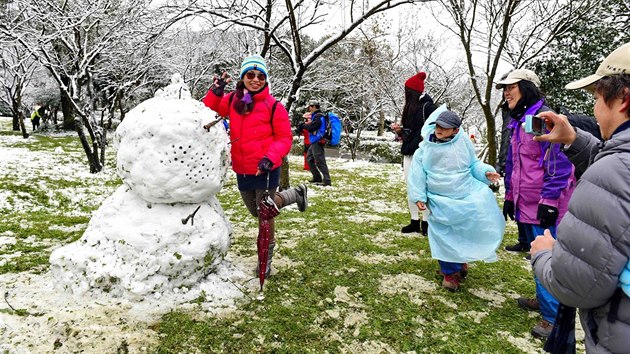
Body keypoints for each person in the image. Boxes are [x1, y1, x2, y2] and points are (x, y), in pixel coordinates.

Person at [530, 42, 630, 353]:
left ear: (623, 99)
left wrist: (544, 255)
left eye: (598, 98)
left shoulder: (616, 170)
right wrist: (574, 140)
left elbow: (578, 286)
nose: (594, 110)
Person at [202, 54, 308, 277]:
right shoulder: (232, 101)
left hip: (266, 168)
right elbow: (206, 112)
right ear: (243, 77)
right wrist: (216, 92)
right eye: (251, 75)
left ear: (266, 79)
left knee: (265, 216)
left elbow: (284, 138)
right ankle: (295, 194)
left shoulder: (274, 107)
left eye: (261, 76)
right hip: (242, 168)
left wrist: (270, 158)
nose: (256, 79)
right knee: (255, 211)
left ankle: (264, 261)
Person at [495, 69, 576, 338]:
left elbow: (559, 162)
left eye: (512, 87)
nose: (506, 93)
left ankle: (553, 318)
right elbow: (515, 162)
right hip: (525, 202)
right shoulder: (519, 121)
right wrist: (509, 196)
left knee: (549, 258)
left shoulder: (541, 119)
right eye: (504, 88)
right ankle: (543, 301)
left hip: (544, 203)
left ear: (527, 88)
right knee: (536, 255)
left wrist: (549, 200)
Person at [407, 109, 504, 291]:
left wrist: (485, 173)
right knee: (443, 233)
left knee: (462, 230)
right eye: (438, 126)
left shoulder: (463, 143)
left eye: (445, 127)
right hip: (438, 196)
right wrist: (419, 195)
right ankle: (450, 272)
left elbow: (473, 164)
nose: (439, 130)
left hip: (463, 191)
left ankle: (459, 261)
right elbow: (417, 172)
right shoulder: (426, 147)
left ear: (456, 130)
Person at [391, 72, 437, 235]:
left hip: (423, 154)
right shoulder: (411, 107)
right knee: (411, 187)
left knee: (423, 188)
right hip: (410, 152)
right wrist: (401, 131)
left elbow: (434, 128)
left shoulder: (428, 107)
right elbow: (412, 131)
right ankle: (414, 221)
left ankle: (426, 222)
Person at [301, 99, 331, 186]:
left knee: (320, 161)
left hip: (318, 141)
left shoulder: (318, 116)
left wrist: (304, 126)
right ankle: (317, 177)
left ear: (314, 107)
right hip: (315, 141)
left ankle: (327, 181)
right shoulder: (318, 115)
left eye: (310, 107)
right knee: (309, 159)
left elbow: (312, 128)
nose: (309, 109)